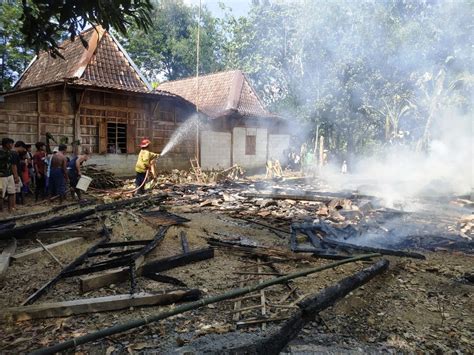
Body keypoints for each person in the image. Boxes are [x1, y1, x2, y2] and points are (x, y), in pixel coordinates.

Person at [0, 138, 16, 213]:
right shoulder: (1, 152)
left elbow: (13, 164)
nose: (12, 145)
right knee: (1, 194)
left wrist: (15, 175)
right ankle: (1, 211)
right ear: (6, 144)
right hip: (2, 175)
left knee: (11, 192)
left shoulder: (10, 152)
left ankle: (11, 209)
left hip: (9, 174)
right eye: (10, 144)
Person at [12, 141, 26, 207]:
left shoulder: (14, 153)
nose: (23, 150)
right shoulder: (15, 154)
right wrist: (16, 176)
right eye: (23, 148)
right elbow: (14, 165)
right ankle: (17, 203)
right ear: (20, 147)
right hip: (17, 174)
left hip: (17, 174)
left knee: (18, 189)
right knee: (17, 189)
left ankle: (18, 203)